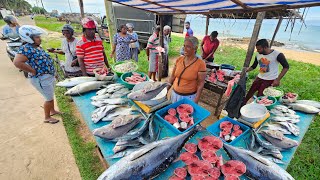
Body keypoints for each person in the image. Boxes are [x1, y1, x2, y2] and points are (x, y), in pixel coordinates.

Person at [13, 25, 60, 124]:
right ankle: (47, 117)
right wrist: (32, 71)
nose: (40, 39)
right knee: (49, 98)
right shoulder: (25, 48)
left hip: (47, 76)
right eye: (37, 37)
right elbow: (17, 62)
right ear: (28, 37)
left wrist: (52, 73)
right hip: (40, 78)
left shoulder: (36, 47)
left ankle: (52, 111)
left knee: (50, 95)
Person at [244, 39, 289, 103]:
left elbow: (286, 67)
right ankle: (242, 105)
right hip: (259, 77)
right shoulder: (258, 55)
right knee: (249, 93)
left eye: (259, 49)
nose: (257, 51)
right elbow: (254, 66)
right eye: (257, 49)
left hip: (270, 79)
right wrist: (246, 70)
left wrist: (278, 79)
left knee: (261, 97)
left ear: (265, 47)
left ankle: (259, 110)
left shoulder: (277, 54)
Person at [167, 36, 207, 104]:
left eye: (188, 47)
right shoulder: (179, 59)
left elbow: (200, 84)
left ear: (195, 48)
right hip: (174, 94)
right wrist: (167, 89)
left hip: (188, 98)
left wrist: (196, 100)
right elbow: (173, 76)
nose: (184, 49)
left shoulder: (200, 64)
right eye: (184, 46)